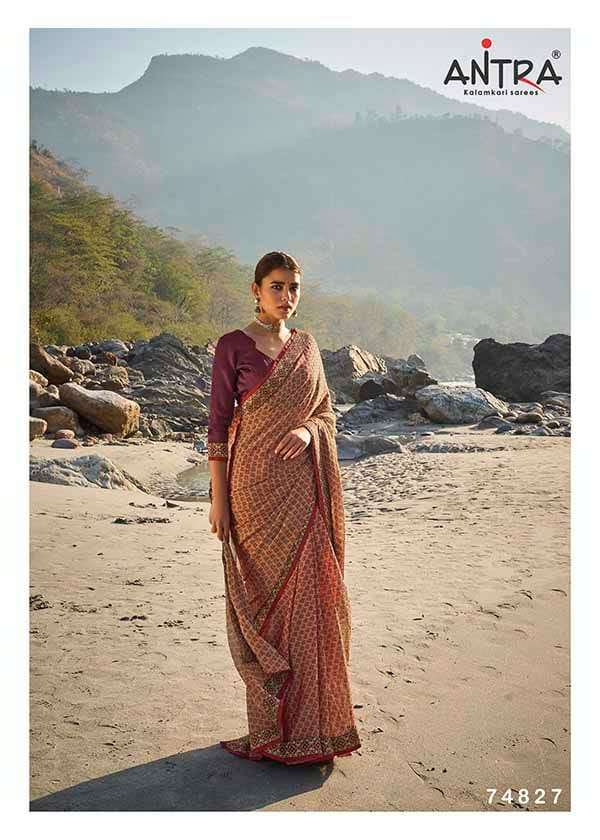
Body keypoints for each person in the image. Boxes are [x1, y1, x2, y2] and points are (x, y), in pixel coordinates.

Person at [207, 251, 361, 765]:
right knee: (263, 606)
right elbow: (217, 428)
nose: (286, 296)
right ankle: (272, 730)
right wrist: (219, 499)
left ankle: (315, 730)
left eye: (294, 287)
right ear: (255, 290)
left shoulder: (307, 347)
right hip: (252, 491)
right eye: (276, 286)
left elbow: (325, 412)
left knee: (316, 600)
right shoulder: (233, 346)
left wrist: (308, 431)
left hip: (304, 488)